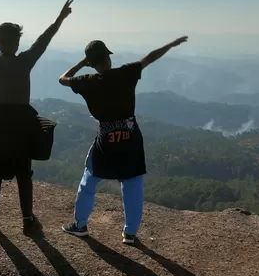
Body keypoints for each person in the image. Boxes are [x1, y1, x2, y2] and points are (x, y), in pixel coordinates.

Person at [0, 0, 73, 234]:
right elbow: (44, 40)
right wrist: (60, 18)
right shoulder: (25, 61)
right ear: (18, 43)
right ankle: (27, 220)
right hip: (22, 124)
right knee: (23, 173)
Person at [59, 35, 188, 245]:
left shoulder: (87, 82)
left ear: (91, 63)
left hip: (106, 140)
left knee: (89, 179)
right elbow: (150, 57)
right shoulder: (126, 73)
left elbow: (62, 78)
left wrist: (82, 64)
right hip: (131, 138)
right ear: (108, 58)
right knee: (133, 183)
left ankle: (80, 224)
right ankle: (130, 233)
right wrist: (171, 45)